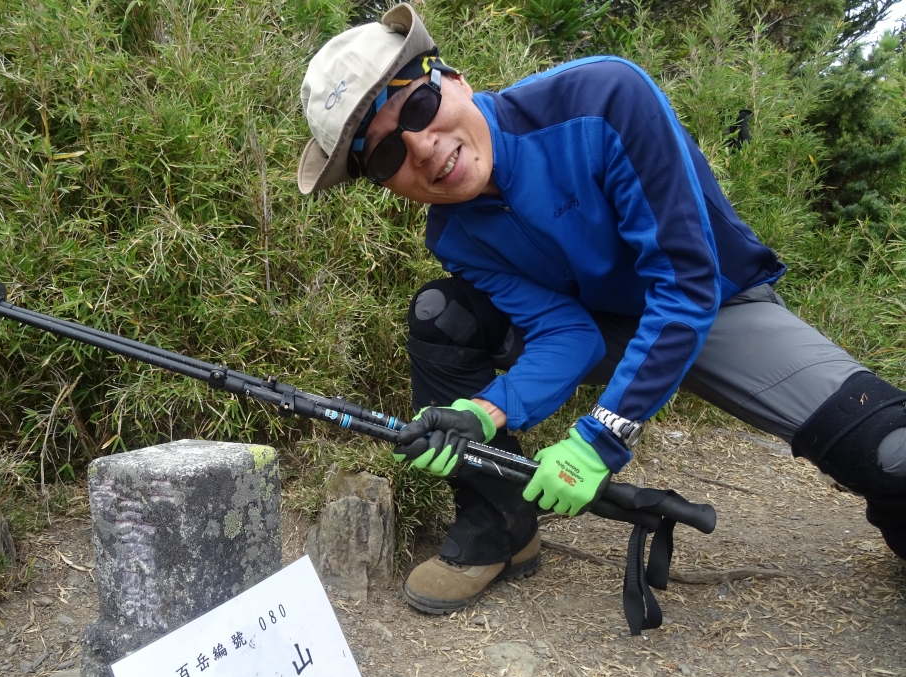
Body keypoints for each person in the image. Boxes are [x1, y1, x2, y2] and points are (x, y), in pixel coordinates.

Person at [296, 4, 906, 613]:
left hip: (719, 305)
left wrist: (597, 441)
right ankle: (501, 527)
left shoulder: (603, 96)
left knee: (891, 453)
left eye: (420, 107)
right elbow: (569, 334)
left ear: (454, 79)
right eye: (383, 158)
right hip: (610, 326)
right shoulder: (453, 236)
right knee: (442, 313)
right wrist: (484, 414)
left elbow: (686, 283)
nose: (421, 149)